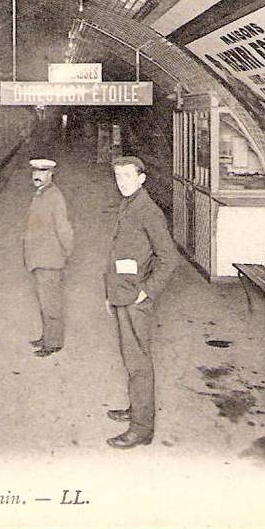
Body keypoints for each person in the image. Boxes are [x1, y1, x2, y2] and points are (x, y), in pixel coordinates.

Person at [103, 156, 179, 449]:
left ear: (142, 178)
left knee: (138, 362)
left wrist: (147, 291)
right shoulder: (130, 203)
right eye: (118, 176)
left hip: (135, 298)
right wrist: (108, 292)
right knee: (130, 356)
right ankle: (137, 409)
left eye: (127, 176)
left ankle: (142, 428)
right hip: (122, 292)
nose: (122, 181)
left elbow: (169, 258)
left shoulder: (148, 211)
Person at [22, 158, 74, 358]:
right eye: (34, 172)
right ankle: (46, 336)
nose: (37, 175)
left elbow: (64, 229)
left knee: (50, 303)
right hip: (39, 258)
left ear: (51, 174)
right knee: (44, 301)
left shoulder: (54, 196)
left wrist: (64, 253)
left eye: (42, 172)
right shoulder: (41, 193)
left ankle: (53, 342)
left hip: (49, 259)